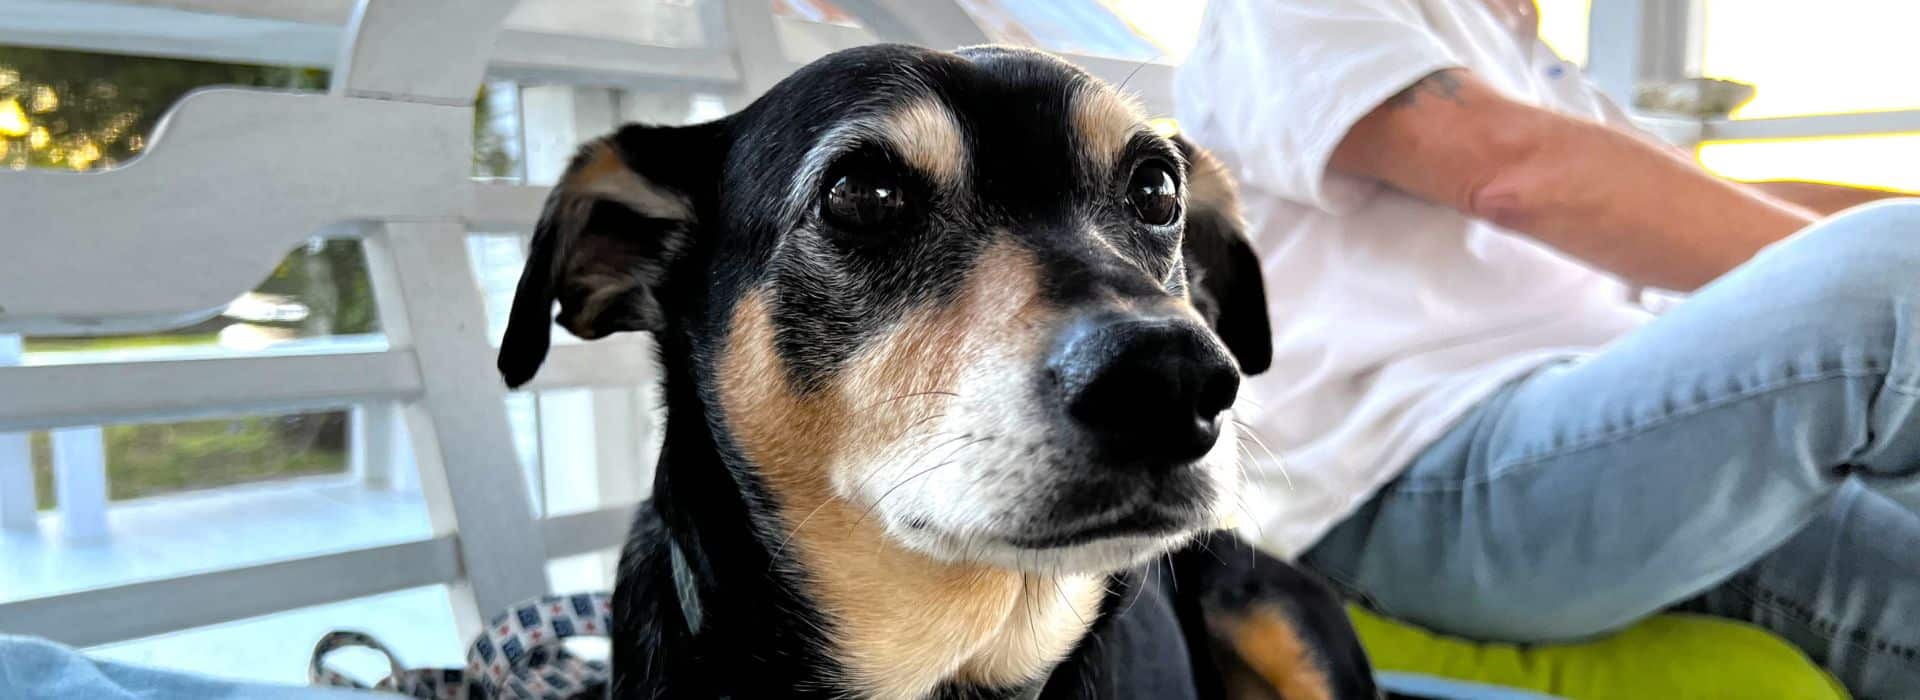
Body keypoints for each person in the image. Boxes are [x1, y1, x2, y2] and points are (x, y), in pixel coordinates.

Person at [1175, 1, 1919, 696]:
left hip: (1604, 453)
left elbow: (1704, 193)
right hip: (1423, 483)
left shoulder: (1524, 52)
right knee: (1895, 270)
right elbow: (1509, 170)